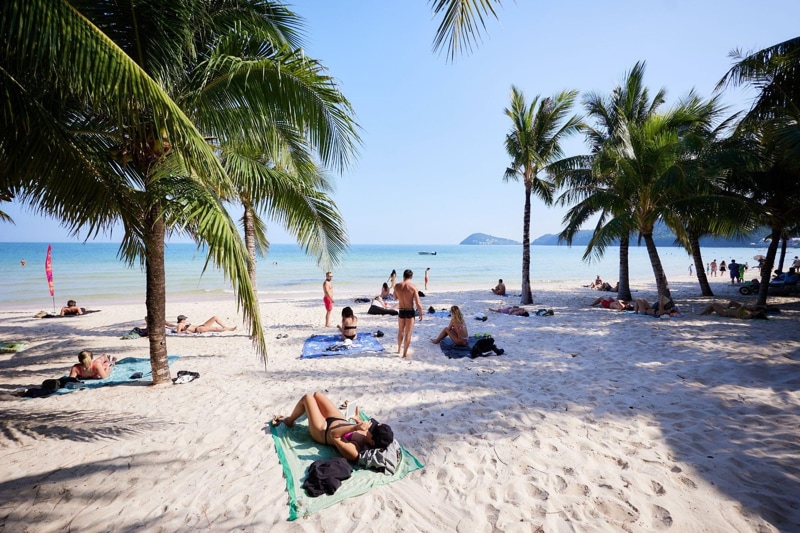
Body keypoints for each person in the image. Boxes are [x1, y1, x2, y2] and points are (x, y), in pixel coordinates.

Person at [272, 391, 394, 460]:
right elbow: (359, 430)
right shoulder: (368, 436)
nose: (369, 428)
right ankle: (309, 411)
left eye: (371, 430)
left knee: (307, 397)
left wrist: (355, 427)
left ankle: (289, 421)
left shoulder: (355, 451)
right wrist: (357, 419)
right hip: (339, 420)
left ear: (372, 442)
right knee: (317, 395)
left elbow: (334, 435)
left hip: (323, 430)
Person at [393, 269, 423, 358]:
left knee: (400, 331)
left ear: (403, 276)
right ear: (411, 277)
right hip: (410, 311)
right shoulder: (413, 287)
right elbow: (418, 302)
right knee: (408, 333)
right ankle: (404, 353)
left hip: (401, 310)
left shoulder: (397, 286)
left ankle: (399, 349)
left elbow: (394, 297)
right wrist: (421, 312)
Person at [166, 315, 237, 334]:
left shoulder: (179, 324)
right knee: (215, 328)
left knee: (215, 317)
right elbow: (178, 333)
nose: (185, 320)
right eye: (185, 319)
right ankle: (229, 329)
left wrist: (166, 323)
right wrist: (186, 331)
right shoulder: (180, 325)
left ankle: (225, 327)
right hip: (198, 329)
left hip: (201, 326)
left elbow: (169, 325)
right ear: (182, 320)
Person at [699, 301, 767, 319]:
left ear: (756, 314)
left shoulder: (749, 316)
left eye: (757, 312)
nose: (756, 311)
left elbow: (738, 316)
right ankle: (707, 313)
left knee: (713, 305)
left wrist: (741, 309)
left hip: (725, 313)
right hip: (727, 310)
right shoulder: (750, 312)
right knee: (714, 305)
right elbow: (732, 302)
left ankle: (703, 313)